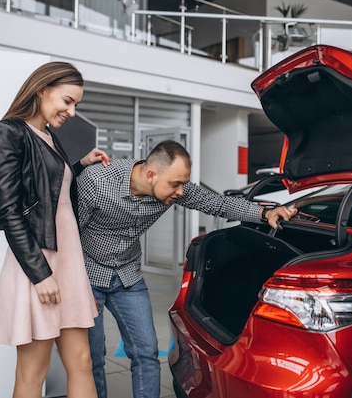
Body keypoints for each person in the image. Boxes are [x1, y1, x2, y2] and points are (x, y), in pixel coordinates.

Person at [76, 140, 297, 398]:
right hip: (88, 274)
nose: (180, 192)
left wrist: (263, 214)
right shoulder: (97, 181)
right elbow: (70, 233)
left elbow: (216, 203)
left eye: (183, 184)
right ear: (150, 175)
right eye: (175, 184)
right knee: (92, 357)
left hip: (128, 274)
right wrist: (76, 285)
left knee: (146, 352)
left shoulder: (170, 185)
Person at [0, 61, 110, 398]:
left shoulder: (49, 136)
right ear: (42, 89)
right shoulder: (7, 132)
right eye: (67, 101)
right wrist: (40, 274)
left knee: (81, 360)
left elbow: (52, 191)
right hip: (39, 264)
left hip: (68, 262)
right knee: (31, 372)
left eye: (76, 105)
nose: (71, 111)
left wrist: (80, 164)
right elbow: (10, 212)